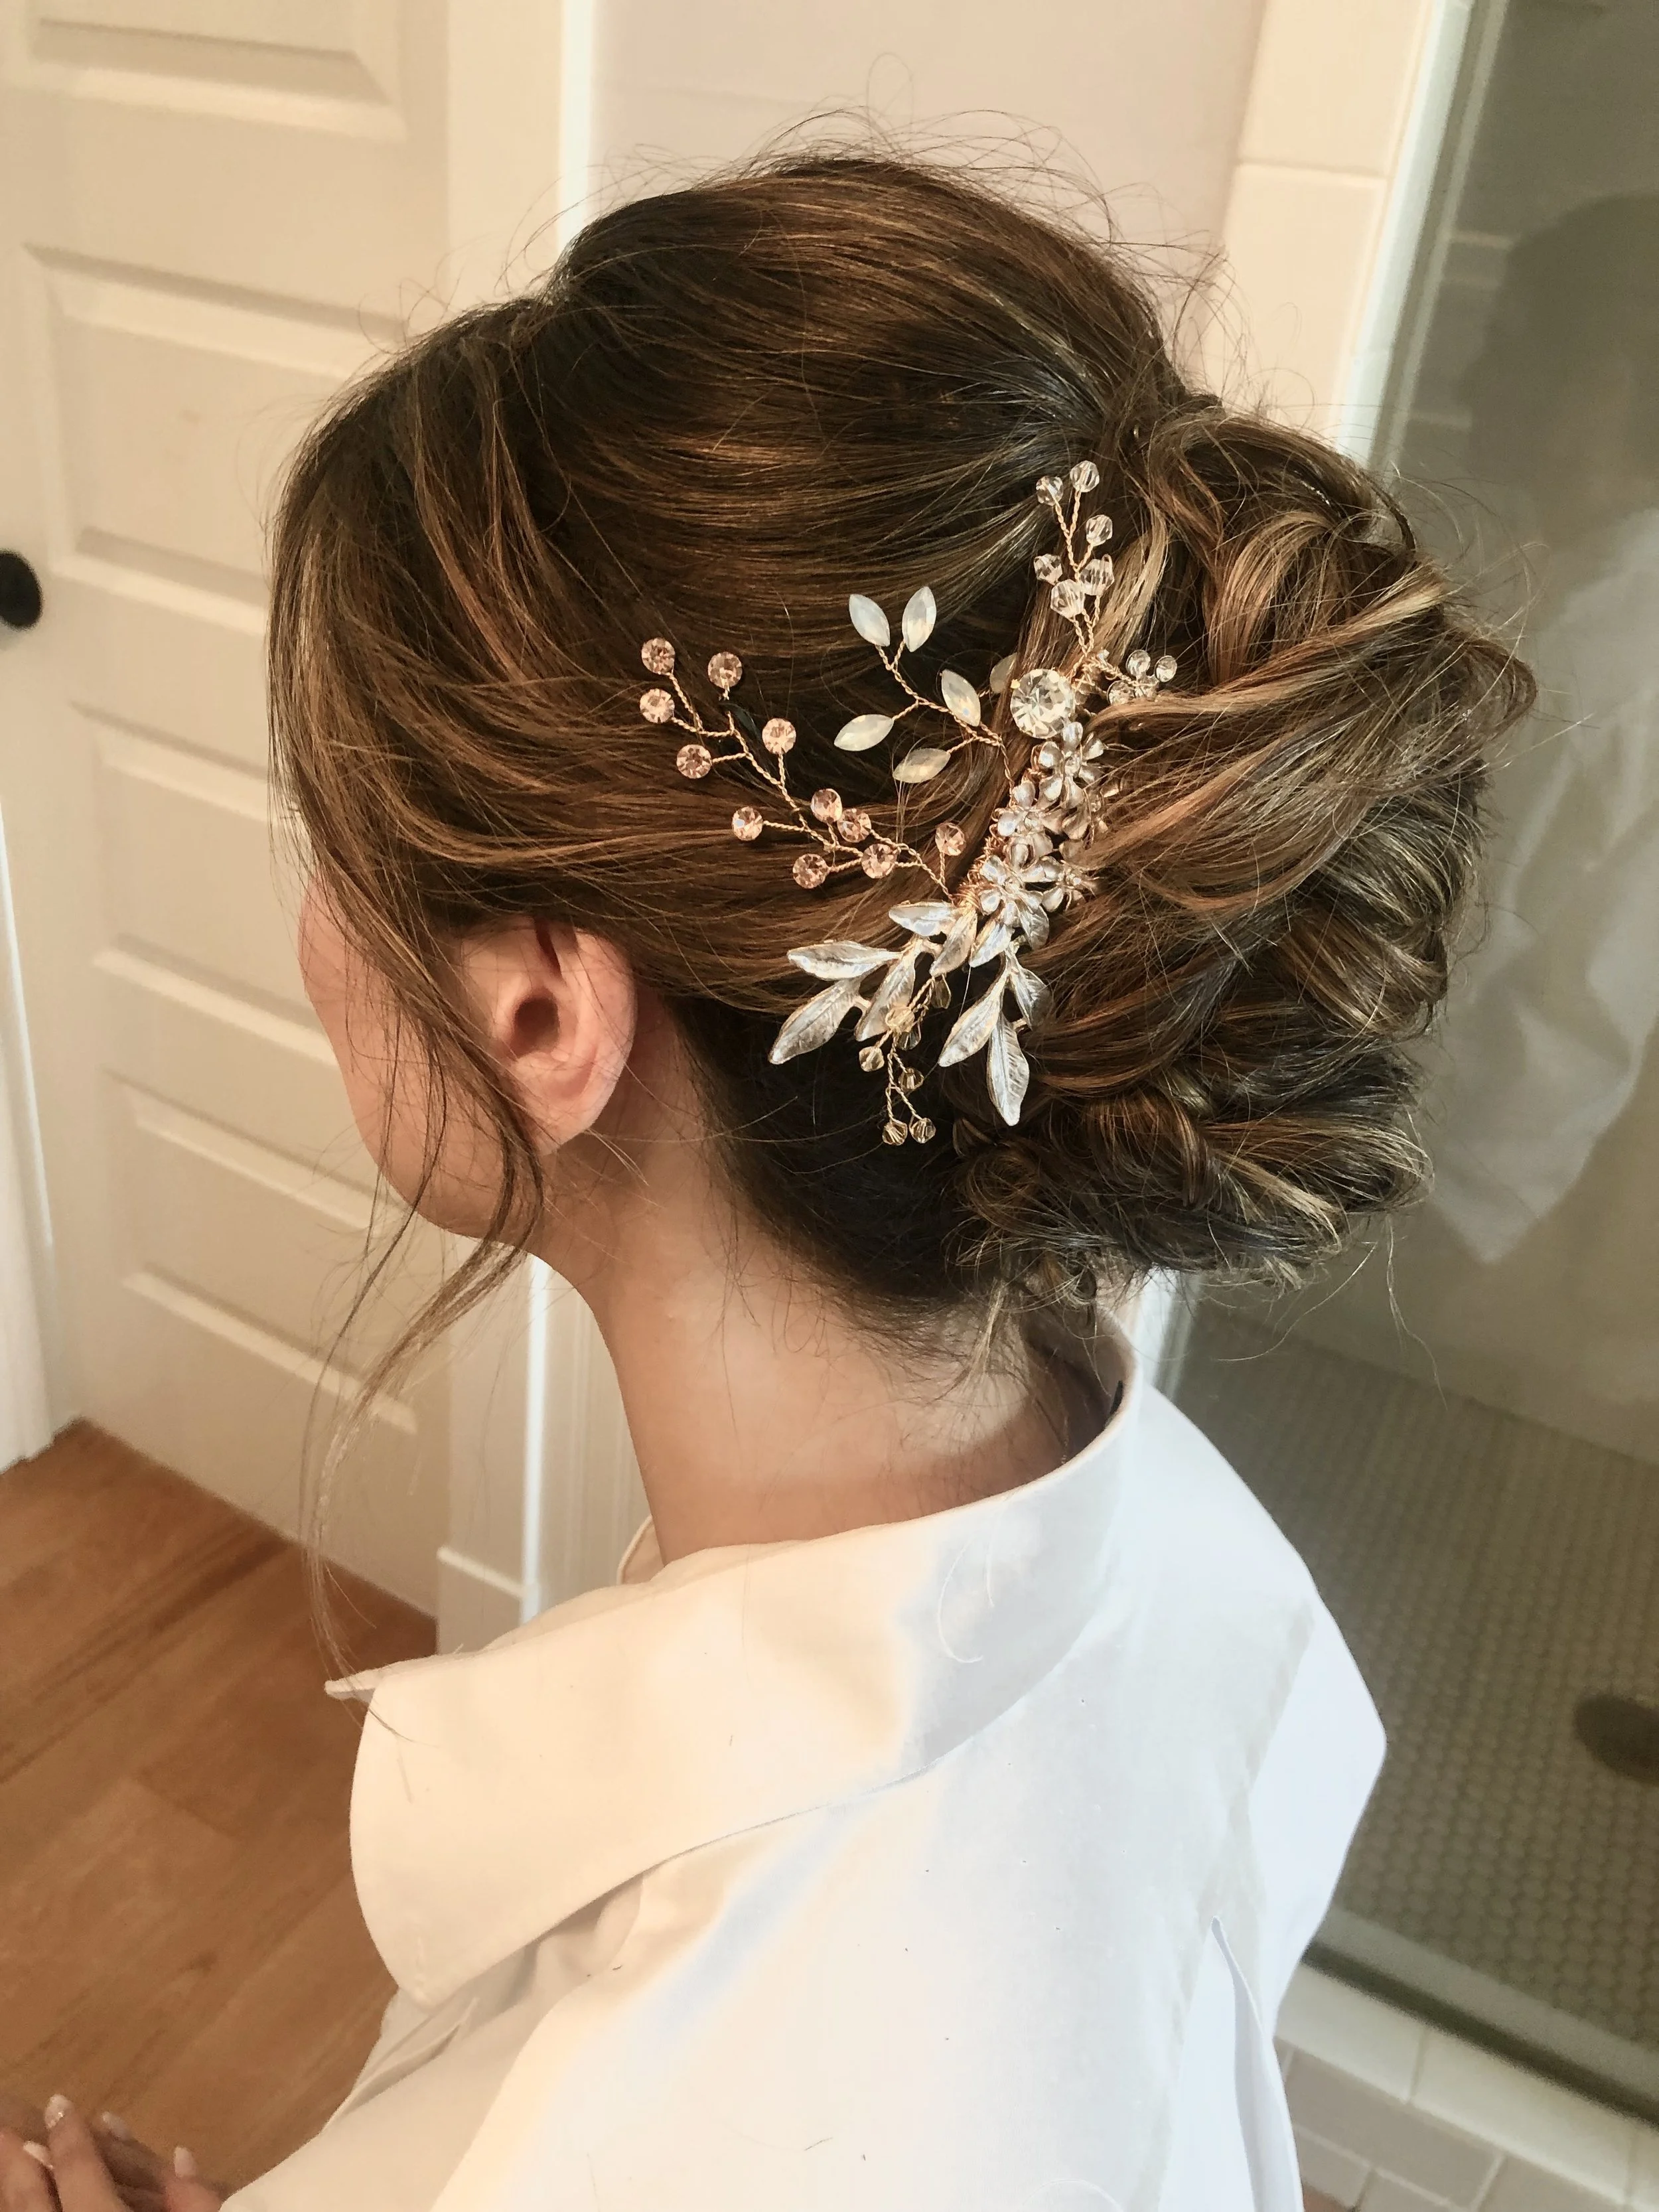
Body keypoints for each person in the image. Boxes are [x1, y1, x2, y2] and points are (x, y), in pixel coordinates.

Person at [0, 150, 1530, 2212]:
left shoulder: (675, 2136)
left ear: (545, 1016)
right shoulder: (1171, 1531)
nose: (311, 920)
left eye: (339, 840)